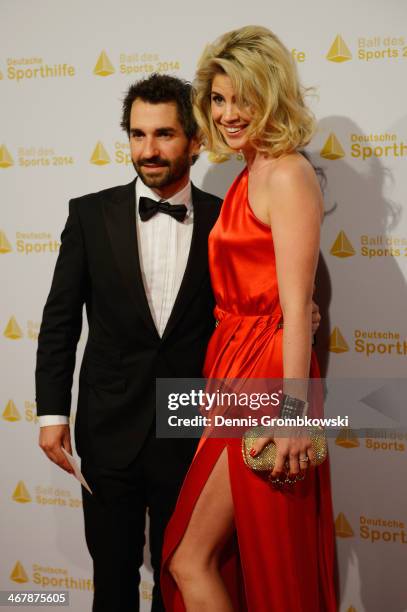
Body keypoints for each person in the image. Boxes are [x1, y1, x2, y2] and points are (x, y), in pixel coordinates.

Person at [36, 74, 321, 611]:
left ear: (194, 139)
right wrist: (52, 414)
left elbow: (259, 298)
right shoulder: (88, 215)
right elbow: (59, 322)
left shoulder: (228, 216)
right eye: (137, 135)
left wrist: (299, 311)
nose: (149, 150)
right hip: (107, 424)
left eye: (164, 134)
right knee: (113, 579)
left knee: (181, 577)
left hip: (194, 423)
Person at [161, 26, 337, 611]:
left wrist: (292, 417)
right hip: (232, 369)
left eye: (243, 97)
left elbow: (293, 310)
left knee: (193, 557)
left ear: (273, 94)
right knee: (215, 555)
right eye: (217, 98)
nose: (228, 113)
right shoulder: (248, 173)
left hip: (264, 379)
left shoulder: (286, 173)